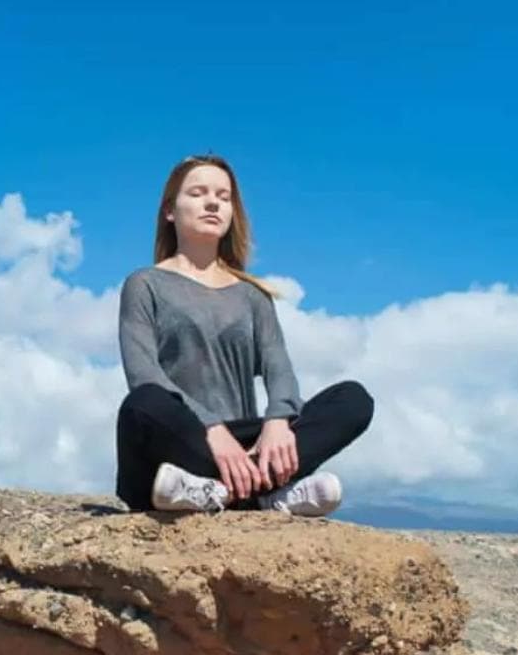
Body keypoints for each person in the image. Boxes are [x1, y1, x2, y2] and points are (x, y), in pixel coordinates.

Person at [116, 155, 374, 516]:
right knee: (142, 404)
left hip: (246, 447)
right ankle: (262, 495)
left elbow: (278, 369)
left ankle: (230, 491)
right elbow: (143, 373)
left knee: (353, 399)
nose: (212, 203)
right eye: (198, 193)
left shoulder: (253, 296)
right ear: (170, 211)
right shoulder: (145, 285)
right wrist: (211, 428)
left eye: (223, 197)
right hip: (180, 445)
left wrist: (278, 422)